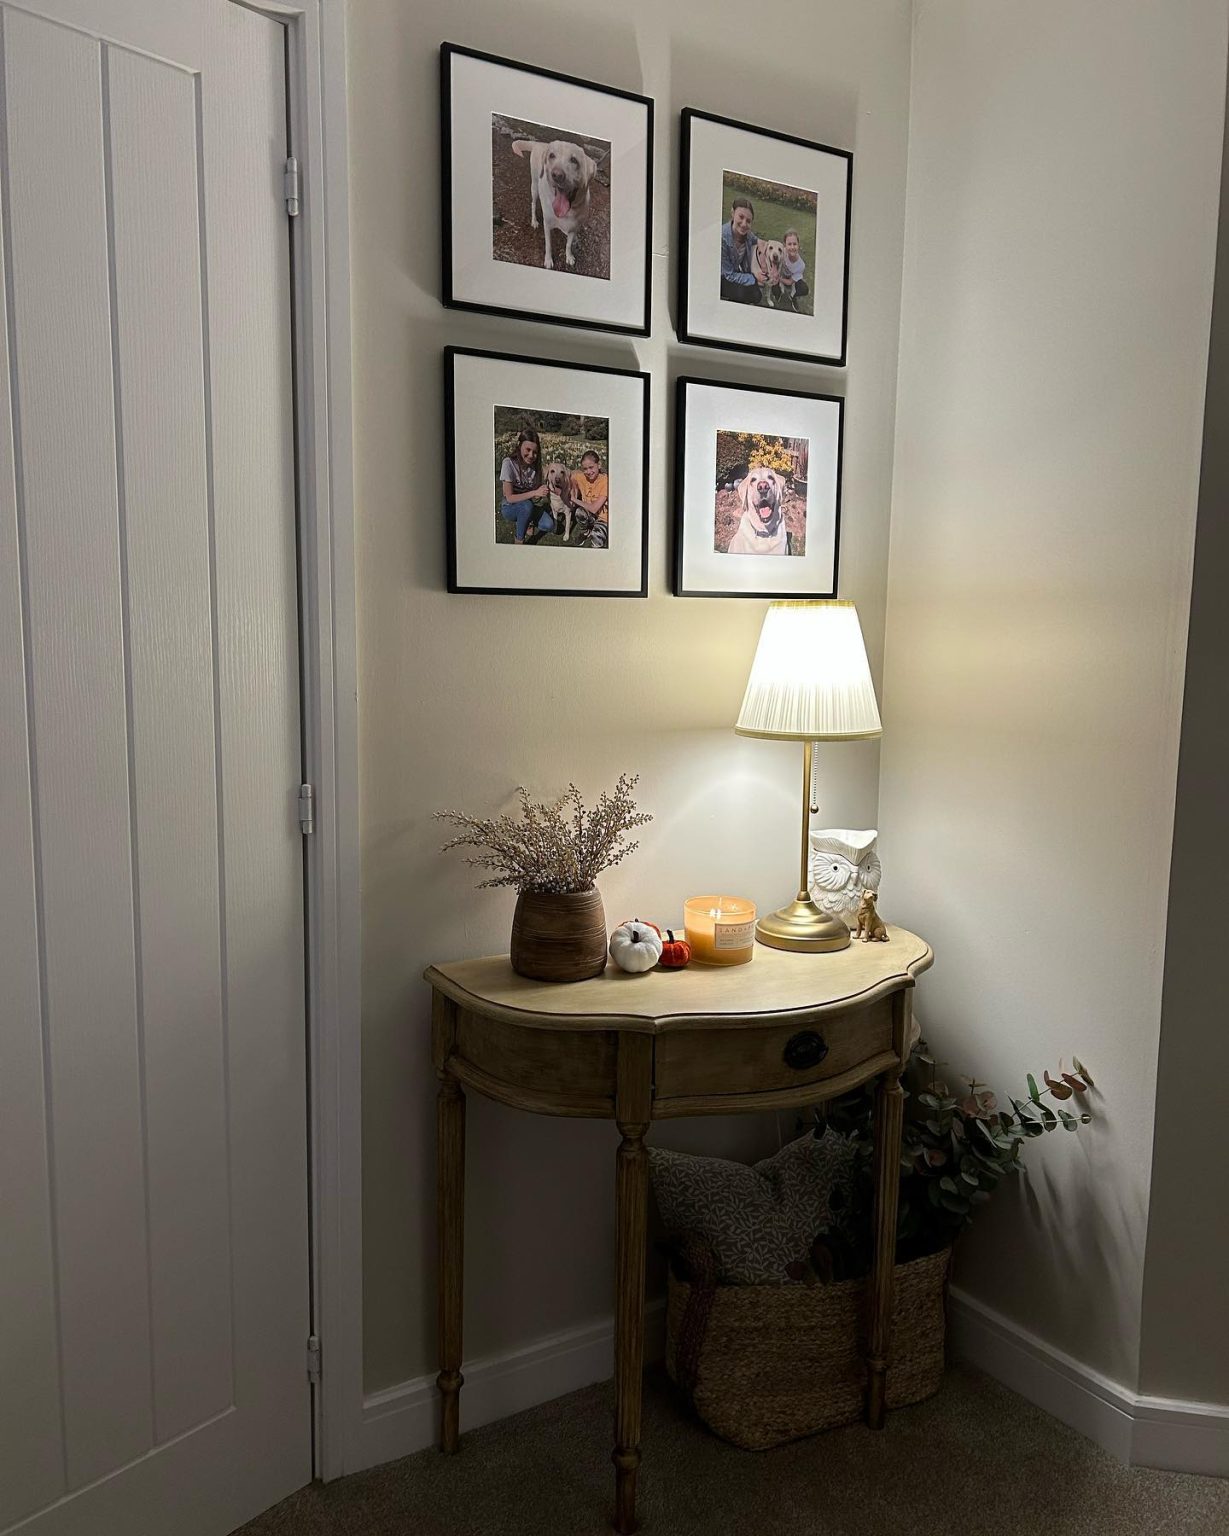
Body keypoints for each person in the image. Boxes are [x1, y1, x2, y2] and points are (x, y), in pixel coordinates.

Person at [498, 428, 553, 544]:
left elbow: (535, 496)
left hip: (528, 506)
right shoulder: (508, 463)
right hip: (509, 507)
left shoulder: (534, 468)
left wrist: (540, 493)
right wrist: (534, 493)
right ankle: (519, 540)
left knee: (549, 525)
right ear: (519, 445)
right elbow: (509, 498)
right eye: (528, 449)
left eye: (535, 452)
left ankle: (526, 521)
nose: (531, 455)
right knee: (526, 505)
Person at [719, 196, 763, 304]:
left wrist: (762, 243)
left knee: (757, 295)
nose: (744, 224)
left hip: (734, 273)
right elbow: (729, 275)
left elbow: (756, 240)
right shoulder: (722, 238)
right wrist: (754, 277)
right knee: (743, 294)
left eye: (748, 221)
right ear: (733, 213)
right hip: (720, 277)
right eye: (741, 217)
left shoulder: (748, 235)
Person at [569, 449, 609, 525]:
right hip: (591, 514)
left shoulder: (606, 481)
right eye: (585, 469)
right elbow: (568, 476)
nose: (588, 472)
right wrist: (573, 484)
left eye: (591, 467)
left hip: (604, 519)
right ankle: (587, 530)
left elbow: (594, 508)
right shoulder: (582, 477)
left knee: (596, 533)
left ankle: (598, 528)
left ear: (599, 465)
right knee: (580, 513)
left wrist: (573, 499)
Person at [777, 228, 810, 312]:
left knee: (804, 289)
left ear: (798, 245)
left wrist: (778, 278)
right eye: (789, 244)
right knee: (775, 288)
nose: (792, 247)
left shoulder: (801, 265)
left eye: (794, 244)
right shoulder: (782, 252)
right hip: (781, 274)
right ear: (785, 245)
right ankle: (778, 293)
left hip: (791, 280)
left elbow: (790, 282)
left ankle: (793, 296)